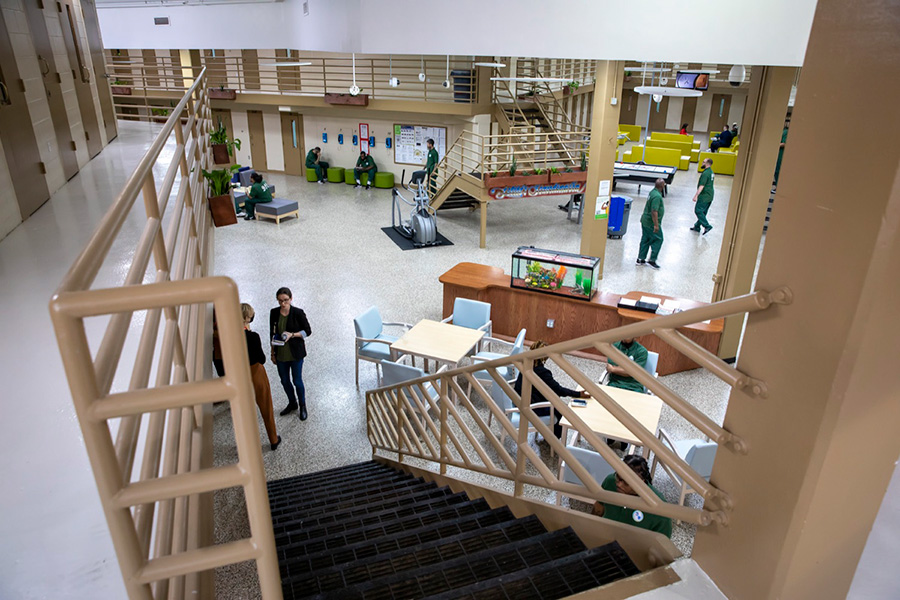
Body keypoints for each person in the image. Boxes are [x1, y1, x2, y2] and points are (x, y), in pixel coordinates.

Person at [513, 340, 589, 441]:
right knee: (562, 410)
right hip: (531, 406)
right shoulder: (542, 372)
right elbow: (559, 390)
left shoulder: (526, 364)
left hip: (518, 401)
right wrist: (578, 394)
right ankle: (552, 440)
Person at [591, 455, 673, 538]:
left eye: (626, 482)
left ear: (641, 482)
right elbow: (598, 508)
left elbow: (662, 542)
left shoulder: (660, 509)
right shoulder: (610, 481)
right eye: (618, 477)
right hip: (604, 535)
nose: (619, 484)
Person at [242, 303, 281, 451]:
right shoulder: (252, 337)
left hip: (239, 373)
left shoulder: (229, 335)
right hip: (255, 371)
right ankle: (273, 439)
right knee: (266, 406)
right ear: (247, 318)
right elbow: (261, 358)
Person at [269, 287, 312, 420]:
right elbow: (272, 333)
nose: (283, 304)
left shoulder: (298, 313)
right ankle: (292, 403)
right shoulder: (274, 313)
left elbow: (308, 331)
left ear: (291, 298)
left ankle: (302, 405)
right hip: (281, 354)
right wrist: (272, 352)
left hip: (295, 354)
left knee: (297, 381)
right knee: (285, 381)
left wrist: (293, 335)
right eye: (280, 301)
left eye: (286, 300)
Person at [636, 179, 666, 270]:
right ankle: (652, 260)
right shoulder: (657, 196)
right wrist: (656, 225)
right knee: (658, 239)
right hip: (650, 223)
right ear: (662, 186)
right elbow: (654, 211)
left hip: (645, 220)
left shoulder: (652, 192)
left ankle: (641, 259)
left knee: (646, 239)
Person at [691, 158, 715, 234]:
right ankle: (697, 226)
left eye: (704, 162)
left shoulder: (705, 174)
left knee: (698, 210)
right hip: (710, 195)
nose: (702, 163)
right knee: (703, 212)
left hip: (704, 196)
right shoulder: (711, 172)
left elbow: (702, 186)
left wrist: (696, 195)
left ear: (707, 164)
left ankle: (707, 226)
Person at [774, 118, 789, 187]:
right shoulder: (783, 131)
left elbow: (784, 143)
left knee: (778, 171)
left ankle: (778, 186)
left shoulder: (785, 132)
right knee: (776, 171)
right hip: (778, 154)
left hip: (780, 155)